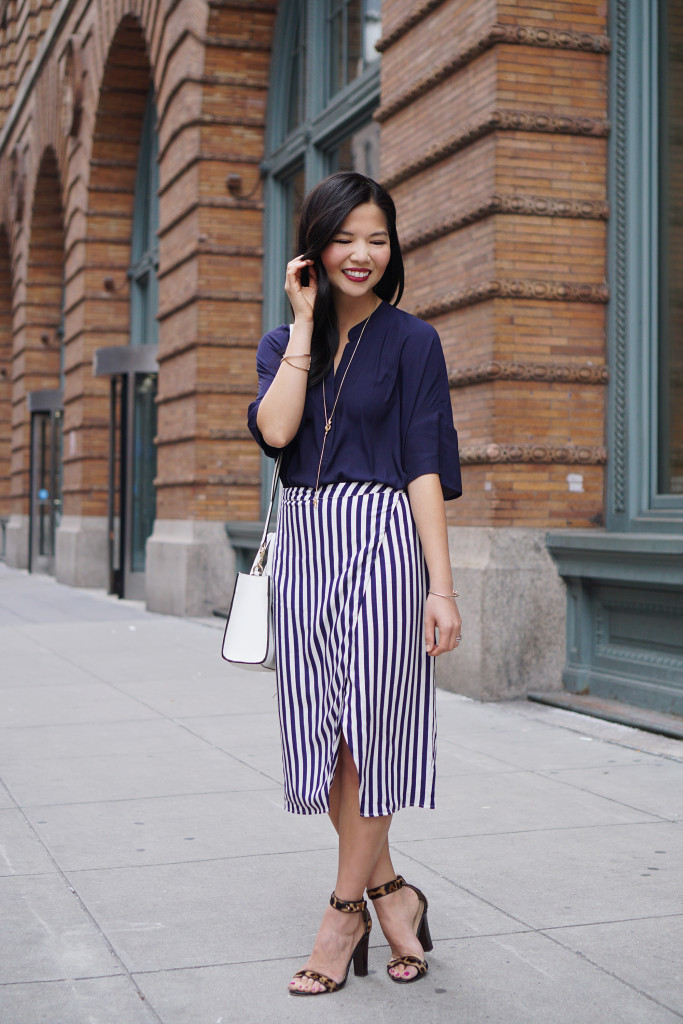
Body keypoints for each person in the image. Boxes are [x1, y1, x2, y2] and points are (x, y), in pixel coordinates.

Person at [247, 171, 462, 996]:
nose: (362, 254)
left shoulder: (414, 342)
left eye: (376, 238)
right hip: (306, 543)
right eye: (344, 238)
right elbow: (276, 431)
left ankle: (342, 914)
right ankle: (392, 890)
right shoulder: (281, 341)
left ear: (392, 245)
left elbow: (422, 468)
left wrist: (438, 588)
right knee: (332, 736)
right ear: (315, 247)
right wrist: (303, 324)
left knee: (375, 730)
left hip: (383, 540)